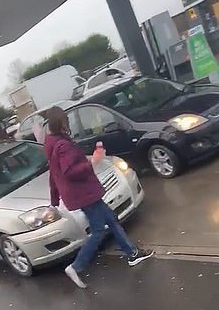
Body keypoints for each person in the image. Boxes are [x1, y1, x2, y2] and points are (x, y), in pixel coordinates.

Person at [43, 107, 153, 289]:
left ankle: (132, 253)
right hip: (84, 194)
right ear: (61, 123)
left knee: (110, 218)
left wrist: (54, 201)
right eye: (65, 120)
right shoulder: (62, 145)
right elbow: (69, 172)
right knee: (98, 230)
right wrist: (93, 161)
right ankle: (76, 267)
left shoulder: (52, 143)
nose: (67, 123)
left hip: (81, 194)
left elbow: (53, 175)